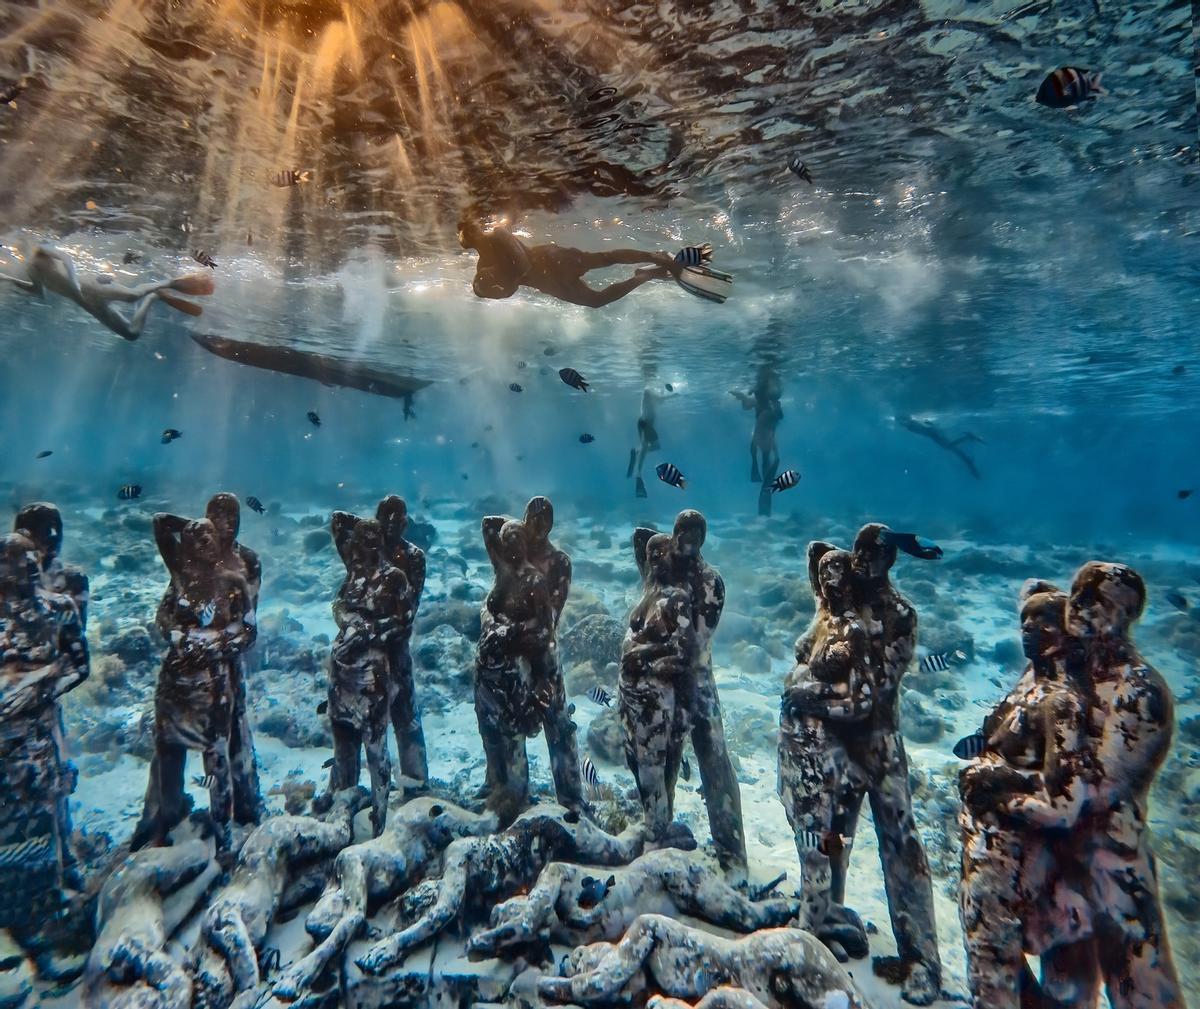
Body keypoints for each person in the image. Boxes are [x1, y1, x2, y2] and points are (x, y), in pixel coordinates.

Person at [1036, 563, 1185, 1009]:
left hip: (1113, 862)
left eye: (1095, 601)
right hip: (1061, 852)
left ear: (1124, 616)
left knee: (1138, 985)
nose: (1076, 606)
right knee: (1063, 985)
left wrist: (1014, 794)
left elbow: (1101, 792)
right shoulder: (1069, 670)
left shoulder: (1139, 692)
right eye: (1076, 592)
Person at [956, 581, 1096, 1009]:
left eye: (1044, 620)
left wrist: (1004, 797)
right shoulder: (1027, 684)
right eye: (1025, 619)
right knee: (985, 958)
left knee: (995, 961)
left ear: (1068, 630)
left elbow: (1066, 806)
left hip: (1018, 859)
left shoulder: (1063, 703)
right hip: (986, 852)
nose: (1030, 628)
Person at [132, 517, 256, 859]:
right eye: (194, 535)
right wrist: (179, 638)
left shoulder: (234, 583)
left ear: (219, 541)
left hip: (212, 688)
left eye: (208, 534)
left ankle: (223, 836)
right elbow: (163, 618)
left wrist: (210, 646)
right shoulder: (179, 581)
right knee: (168, 753)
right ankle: (164, 826)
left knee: (215, 759)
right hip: (173, 687)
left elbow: (247, 633)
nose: (202, 539)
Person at [0, 531, 89, 968]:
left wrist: (37, 685)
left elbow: (79, 665)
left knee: (39, 839)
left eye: (23, 561)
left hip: (34, 749)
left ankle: (42, 942)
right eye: (9, 561)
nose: (18, 569)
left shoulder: (55, 610)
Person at [332, 496, 428, 786]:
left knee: (404, 712)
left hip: (394, 647)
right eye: (384, 517)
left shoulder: (412, 557)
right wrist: (369, 529)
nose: (390, 523)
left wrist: (372, 632)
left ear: (406, 522)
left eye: (396, 517)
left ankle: (416, 779)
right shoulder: (361, 553)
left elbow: (409, 612)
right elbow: (338, 519)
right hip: (359, 655)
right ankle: (344, 785)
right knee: (351, 718)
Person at [619, 532, 697, 846]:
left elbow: (683, 653)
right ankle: (653, 822)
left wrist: (643, 659)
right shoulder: (648, 592)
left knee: (652, 766)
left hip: (654, 699)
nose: (655, 559)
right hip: (630, 696)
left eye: (662, 553)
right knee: (634, 761)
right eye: (652, 554)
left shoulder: (677, 598)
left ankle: (658, 832)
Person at [458, 217, 690, 308]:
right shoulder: (482, 265)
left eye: (471, 228)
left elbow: (521, 265)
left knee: (604, 259)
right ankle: (645, 275)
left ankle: (656, 258)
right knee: (597, 301)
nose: (474, 231)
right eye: (469, 232)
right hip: (548, 281)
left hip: (554, 261)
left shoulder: (498, 234)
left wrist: (494, 282)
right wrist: (486, 290)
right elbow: (509, 291)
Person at [0, 243, 214, 340]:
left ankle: (169, 282)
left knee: (131, 296)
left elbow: (66, 259)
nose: (19, 246)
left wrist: (74, 283)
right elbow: (38, 293)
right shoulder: (30, 269)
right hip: (85, 302)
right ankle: (154, 296)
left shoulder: (39, 249)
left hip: (92, 286)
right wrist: (7, 278)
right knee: (131, 334)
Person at [731, 365, 783, 515]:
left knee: (763, 455)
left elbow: (779, 416)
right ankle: (759, 471)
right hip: (763, 434)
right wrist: (742, 397)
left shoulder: (769, 403)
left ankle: (762, 475)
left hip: (766, 435)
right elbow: (747, 405)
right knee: (760, 453)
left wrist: (743, 396)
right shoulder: (761, 402)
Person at [627, 386, 673, 498]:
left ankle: (637, 453)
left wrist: (662, 390)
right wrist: (675, 395)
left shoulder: (651, 391)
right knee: (646, 447)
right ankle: (638, 474)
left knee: (653, 446)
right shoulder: (648, 389)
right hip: (646, 423)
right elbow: (661, 399)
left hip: (646, 423)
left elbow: (659, 401)